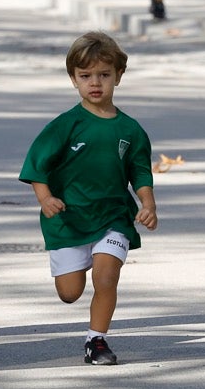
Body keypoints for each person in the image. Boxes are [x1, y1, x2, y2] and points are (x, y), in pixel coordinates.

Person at [18, 31, 158, 366]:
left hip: (113, 216)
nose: (95, 83)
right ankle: (77, 271)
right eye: (85, 76)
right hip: (68, 218)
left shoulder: (131, 130)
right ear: (73, 80)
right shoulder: (66, 125)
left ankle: (97, 341)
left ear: (118, 76)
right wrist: (46, 198)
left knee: (106, 276)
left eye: (104, 75)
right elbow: (37, 165)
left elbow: (139, 172)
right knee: (69, 293)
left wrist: (148, 204)